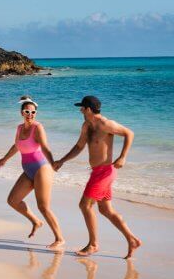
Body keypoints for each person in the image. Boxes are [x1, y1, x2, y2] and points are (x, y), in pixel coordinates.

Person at [54, 95, 142, 259]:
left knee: (84, 205)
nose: (80, 110)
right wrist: (62, 161)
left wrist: (123, 157)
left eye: (82, 107)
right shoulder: (86, 126)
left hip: (105, 172)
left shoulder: (106, 124)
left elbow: (129, 133)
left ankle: (93, 244)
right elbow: (79, 146)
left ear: (88, 109)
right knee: (106, 210)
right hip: (97, 172)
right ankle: (132, 239)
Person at [0, 96, 65, 250]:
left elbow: (45, 146)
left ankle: (60, 238)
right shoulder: (20, 128)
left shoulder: (38, 127)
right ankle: (36, 221)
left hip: (42, 168)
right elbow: (16, 146)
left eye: (33, 112)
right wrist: (5, 158)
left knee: (43, 206)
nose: (30, 114)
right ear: (22, 113)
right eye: (27, 112)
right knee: (13, 200)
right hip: (28, 170)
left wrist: (54, 162)